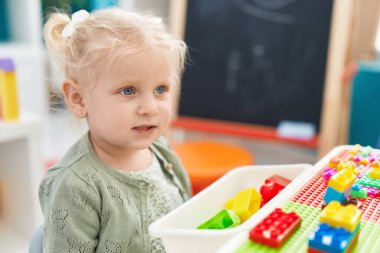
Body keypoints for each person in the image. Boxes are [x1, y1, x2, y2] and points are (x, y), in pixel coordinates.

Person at [39, 8, 192, 253]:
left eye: (160, 89)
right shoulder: (74, 186)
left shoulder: (161, 150)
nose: (150, 108)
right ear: (79, 99)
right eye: (128, 90)